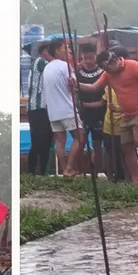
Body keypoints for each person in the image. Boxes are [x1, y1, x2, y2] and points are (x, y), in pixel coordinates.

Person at [74, 51, 138, 184]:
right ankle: (135, 179)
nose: (108, 71)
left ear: (116, 60)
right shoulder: (108, 74)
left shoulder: (134, 66)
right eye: (105, 69)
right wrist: (77, 85)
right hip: (125, 114)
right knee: (127, 147)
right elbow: (94, 87)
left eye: (109, 68)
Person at [42, 39, 83, 176]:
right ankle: (69, 167)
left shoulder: (47, 67)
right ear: (58, 51)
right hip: (67, 109)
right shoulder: (65, 66)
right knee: (80, 137)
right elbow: (73, 85)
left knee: (60, 141)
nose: (70, 51)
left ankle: (65, 167)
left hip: (53, 112)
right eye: (66, 48)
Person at [76, 42, 107, 176]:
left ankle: (95, 172)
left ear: (96, 56)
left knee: (97, 146)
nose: (88, 61)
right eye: (85, 58)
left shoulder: (103, 73)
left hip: (99, 114)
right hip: (82, 115)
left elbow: (103, 97)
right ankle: (80, 171)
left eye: (91, 58)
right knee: (80, 144)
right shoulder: (77, 73)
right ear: (81, 57)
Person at [26, 41, 53, 175]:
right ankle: (36, 171)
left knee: (42, 142)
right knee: (41, 142)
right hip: (39, 108)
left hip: (38, 108)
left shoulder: (37, 63)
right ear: (45, 52)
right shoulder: (42, 62)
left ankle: (39, 171)